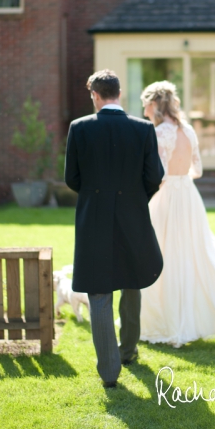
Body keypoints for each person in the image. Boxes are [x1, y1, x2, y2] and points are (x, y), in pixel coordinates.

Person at [64, 70, 164, 387]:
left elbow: (72, 178)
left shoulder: (78, 128)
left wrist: (97, 196)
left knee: (99, 292)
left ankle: (109, 371)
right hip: (132, 215)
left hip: (93, 216)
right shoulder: (144, 129)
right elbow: (154, 176)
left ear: (95, 95)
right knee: (132, 280)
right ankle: (129, 350)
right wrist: (134, 200)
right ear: (119, 93)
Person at [138, 81, 215, 348]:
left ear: (155, 104)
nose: (144, 110)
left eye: (146, 104)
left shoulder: (158, 133)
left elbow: (157, 174)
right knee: (190, 253)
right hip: (189, 196)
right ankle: (191, 319)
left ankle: (167, 322)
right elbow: (198, 170)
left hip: (167, 197)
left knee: (163, 255)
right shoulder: (188, 130)